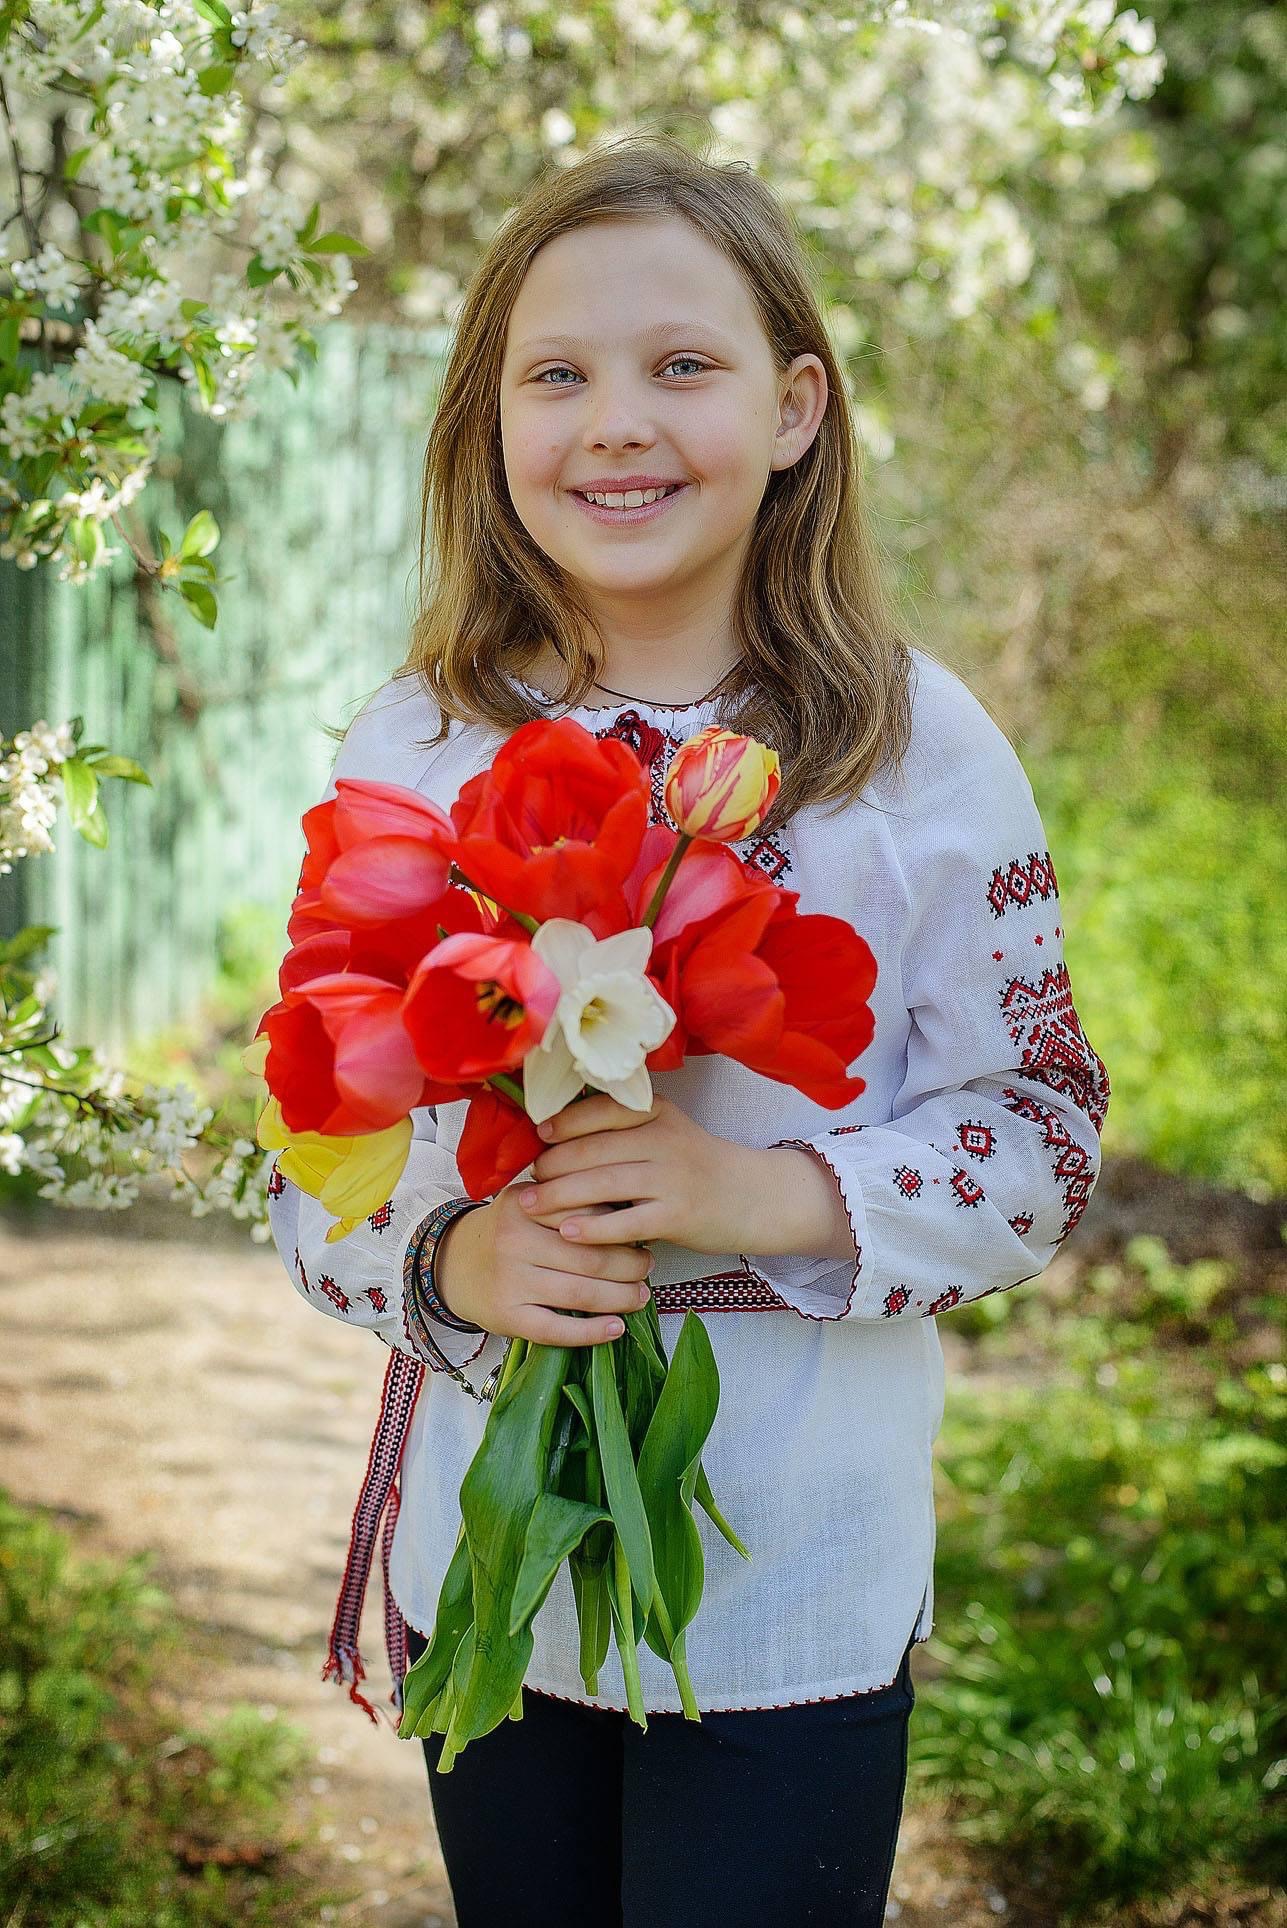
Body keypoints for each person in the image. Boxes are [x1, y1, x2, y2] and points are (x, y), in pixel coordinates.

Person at [264, 133, 1110, 1928]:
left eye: (684, 366)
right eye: (556, 375)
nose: (615, 423)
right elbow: (319, 1149)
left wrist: (764, 1193)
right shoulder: (414, 743)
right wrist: (456, 1264)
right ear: (490, 425)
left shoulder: (912, 755)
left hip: (789, 1579)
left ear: (797, 408)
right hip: (486, 1556)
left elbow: (1042, 1144)